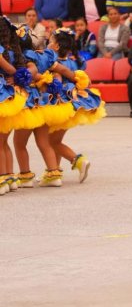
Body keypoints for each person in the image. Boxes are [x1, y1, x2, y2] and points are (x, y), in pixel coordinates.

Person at [13, 26, 77, 188]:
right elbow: (62, 69)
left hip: (28, 105)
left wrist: (37, 77)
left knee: (19, 143)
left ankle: (25, 176)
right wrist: (78, 79)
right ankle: (53, 173)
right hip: (43, 104)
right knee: (43, 142)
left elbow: (32, 72)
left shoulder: (23, 56)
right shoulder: (45, 54)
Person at [47, 28, 104, 183]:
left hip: (60, 104)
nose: (48, 44)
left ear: (57, 45)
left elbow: (57, 82)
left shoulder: (54, 63)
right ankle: (54, 172)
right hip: (72, 104)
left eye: (51, 41)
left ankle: (78, 160)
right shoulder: (75, 61)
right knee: (55, 138)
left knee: (51, 141)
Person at [0, 17, 28, 194]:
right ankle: (10, 177)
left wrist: (14, 74)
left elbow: (9, 69)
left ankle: (2, 179)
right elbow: (19, 70)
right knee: (4, 141)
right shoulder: (14, 50)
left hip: (3, 95)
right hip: (12, 96)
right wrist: (17, 76)